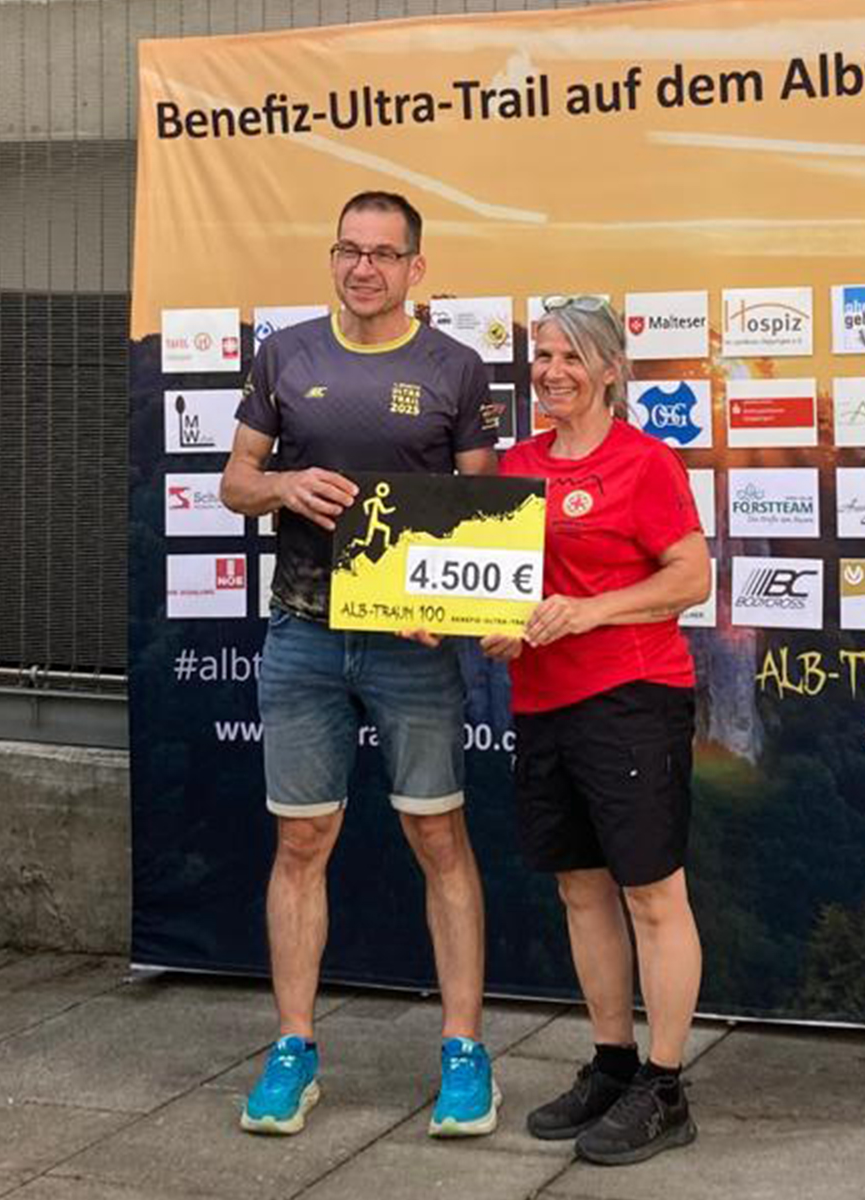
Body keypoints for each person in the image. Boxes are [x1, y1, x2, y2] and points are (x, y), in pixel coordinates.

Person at [220, 191, 503, 1138]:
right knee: (301, 842)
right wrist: (283, 486)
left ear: (416, 267)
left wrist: (446, 607)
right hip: (303, 632)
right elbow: (235, 482)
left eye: (383, 253)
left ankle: (464, 1051)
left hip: (409, 646)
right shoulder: (285, 355)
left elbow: (484, 513)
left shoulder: (455, 367)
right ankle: (292, 1049)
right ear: (333, 257)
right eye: (349, 249)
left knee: (439, 837)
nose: (363, 267)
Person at [481, 296, 711, 1165]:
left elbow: (691, 577)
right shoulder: (517, 465)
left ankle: (666, 1086)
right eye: (543, 356)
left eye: (572, 357)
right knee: (581, 890)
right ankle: (613, 1066)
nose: (553, 372)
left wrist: (589, 611)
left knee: (652, 895)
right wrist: (486, 625)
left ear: (612, 369)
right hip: (543, 702)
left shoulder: (645, 462)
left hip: (632, 698)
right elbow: (504, 591)